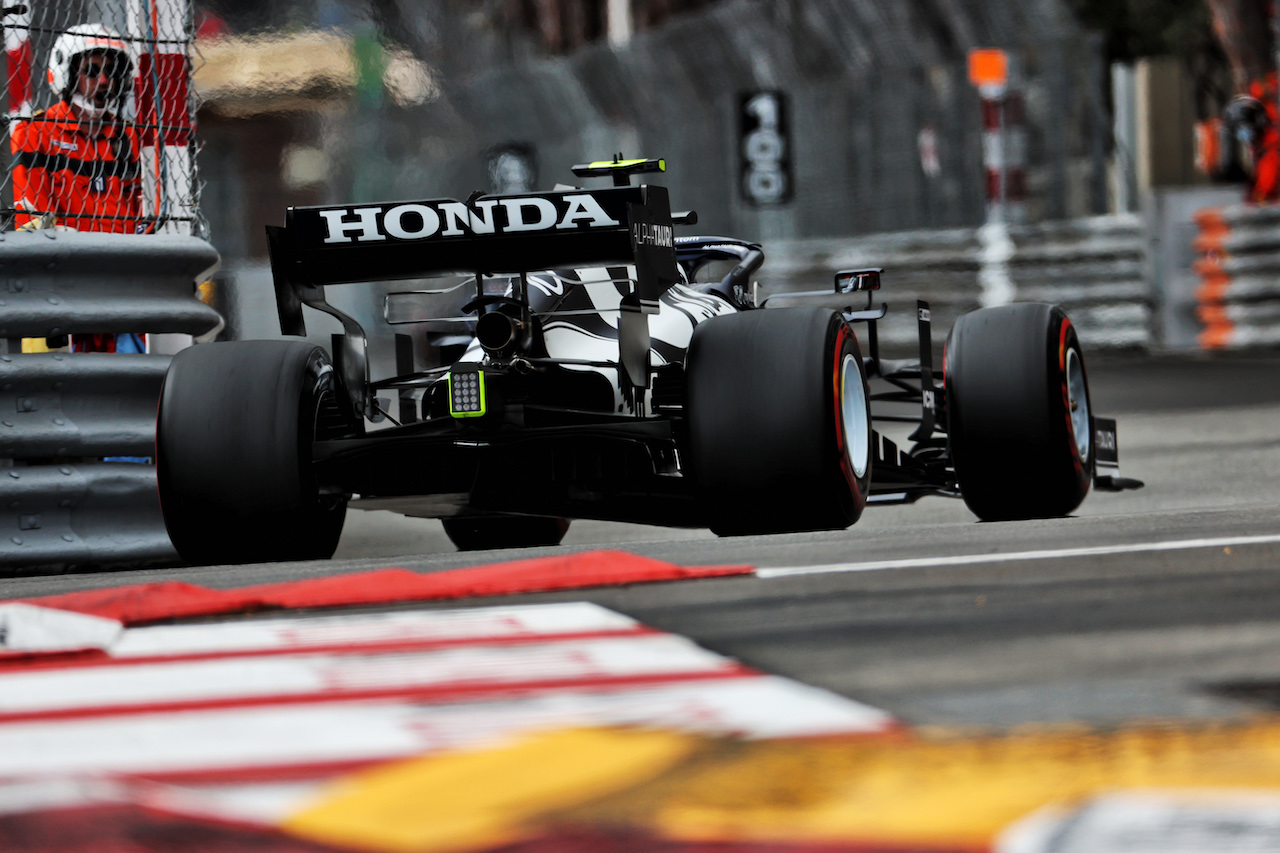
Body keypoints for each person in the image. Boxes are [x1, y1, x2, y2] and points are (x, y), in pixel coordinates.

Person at [11, 23, 146, 353]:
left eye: (111, 71)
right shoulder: (34, 134)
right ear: (65, 72)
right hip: (62, 296)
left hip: (126, 294)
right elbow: (34, 225)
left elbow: (142, 215)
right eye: (91, 71)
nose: (104, 81)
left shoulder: (128, 138)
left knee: (139, 393)